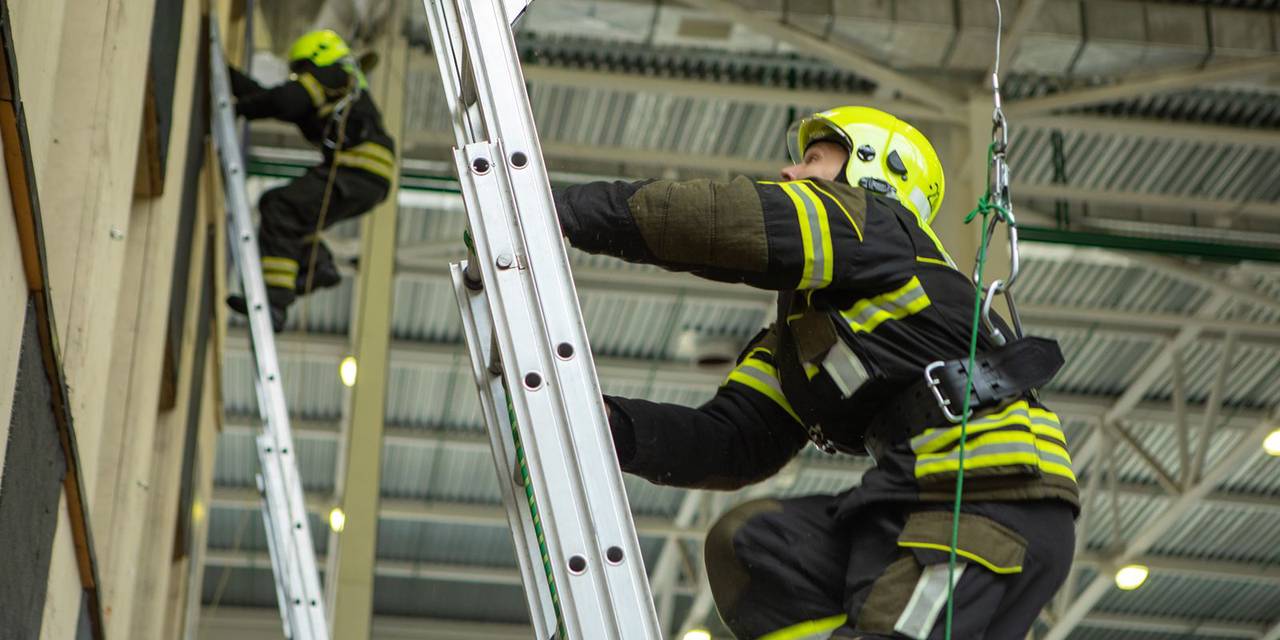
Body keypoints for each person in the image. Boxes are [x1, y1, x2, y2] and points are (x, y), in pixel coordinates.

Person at [553, 106, 1078, 639]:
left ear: (875, 172)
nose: (789, 174)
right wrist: (608, 427)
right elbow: (732, 440)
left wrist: (560, 212)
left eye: (811, 160)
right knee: (755, 547)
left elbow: (725, 218)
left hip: (994, 497)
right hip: (911, 500)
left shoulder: (872, 223)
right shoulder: (804, 338)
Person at [226, 29, 396, 331]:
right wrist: (230, 80)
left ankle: (276, 304)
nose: (300, 77)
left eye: (302, 69)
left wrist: (237, 110)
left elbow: (282, 101)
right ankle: (317, 265)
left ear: (317, 56)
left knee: (281, 208)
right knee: (284, 211)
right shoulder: (340, 90)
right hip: (366, 177)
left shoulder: (334, 75)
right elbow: (272, 99)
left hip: (355, 170)